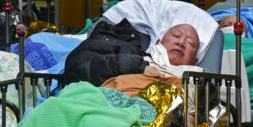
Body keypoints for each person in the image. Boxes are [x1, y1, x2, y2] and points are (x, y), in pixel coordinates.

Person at [64, 19, 200, 86]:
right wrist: (139, 67)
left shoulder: (198, 84)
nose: (181, 42)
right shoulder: (125, 48)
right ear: (157, 43)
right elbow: (78, 66)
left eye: (190, 43)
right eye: (176, 36)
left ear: (195, 61)